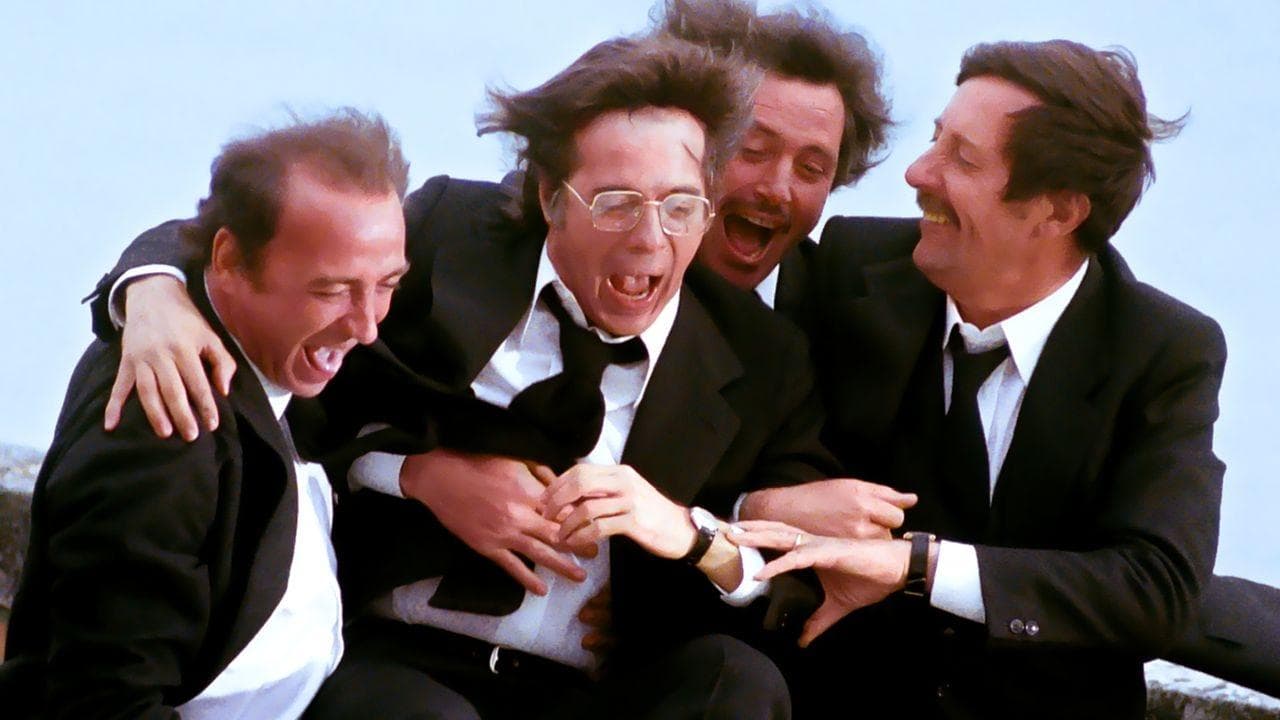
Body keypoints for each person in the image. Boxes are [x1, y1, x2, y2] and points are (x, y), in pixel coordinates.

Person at [84, 35, 838, 719]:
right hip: (399, 663)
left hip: (595, 687)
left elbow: (797, 582)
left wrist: (689, 532)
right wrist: (151, 289)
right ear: (550, 198)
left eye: (680, 207)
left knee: (736, 681)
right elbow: (250, 236)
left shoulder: (762, 353)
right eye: (615, 204)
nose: (650, 238)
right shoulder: (451, 230)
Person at [730, 39, 1227, 718]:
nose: (917, 173)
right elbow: (712, 425)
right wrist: (760, 506)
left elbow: (1155, 588)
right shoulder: (847, 270)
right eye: (936, 140)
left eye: (961, 159)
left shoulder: (1163, 350)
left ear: (1059, 211)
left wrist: (919, 565)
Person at [0, 110, 410, 719]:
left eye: (388, 284)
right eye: (330, 290)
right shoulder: (168, 422)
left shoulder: (288, 346)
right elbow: (107, 700)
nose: (368, 325)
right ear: (230, 258)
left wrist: (147, 278)